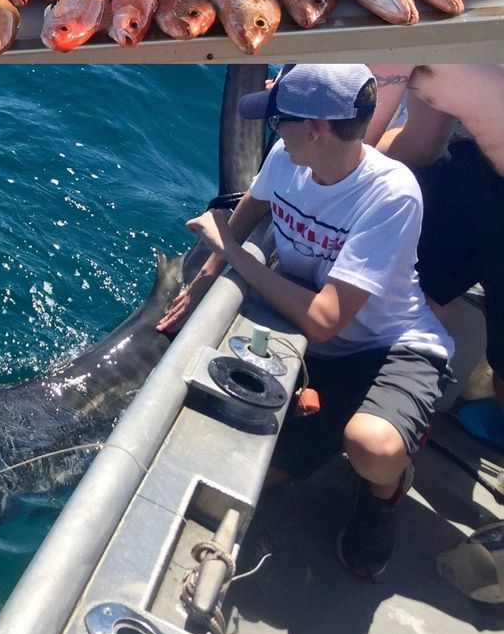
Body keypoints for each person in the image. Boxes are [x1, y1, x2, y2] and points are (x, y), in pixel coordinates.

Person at [157, 63, 453, 582]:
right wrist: (201, 283)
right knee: (247, 474)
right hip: (317, 349)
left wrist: (230, 251)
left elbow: (323, 320)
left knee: (372, 448)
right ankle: (327, 417)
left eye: (278, 121)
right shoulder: (287, 156)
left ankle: (386, 491)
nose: (273, 131)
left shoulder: (392, 194)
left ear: (313, 128)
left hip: (389, 346)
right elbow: (247, 214)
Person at [366, 63, 504, 445]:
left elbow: (416, 147)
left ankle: (398, 409)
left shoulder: (428, 35)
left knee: (404, 289)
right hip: (477, 167)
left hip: (474, 174)